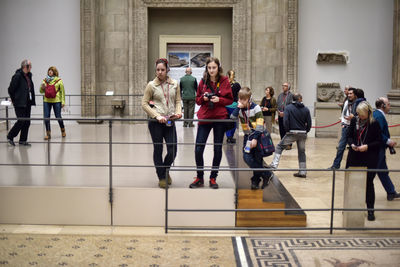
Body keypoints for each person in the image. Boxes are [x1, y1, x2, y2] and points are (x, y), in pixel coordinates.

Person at [189, 57, 233, 189]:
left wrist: (219, 99)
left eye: (214, 67)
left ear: (218, 68)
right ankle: (199, 177)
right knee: (198, 148)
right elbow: (197, 100)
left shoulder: (224, 80)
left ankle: (213, 178)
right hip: (205, 117)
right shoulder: (203, 81)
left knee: (218, 148)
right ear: (206, 68)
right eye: (209, 68)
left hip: (219, 118)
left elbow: (230, 100)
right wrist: (203, 98)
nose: (211, 70)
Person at [142, 58, 182, 188]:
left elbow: (177, 101)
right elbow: (144, 103)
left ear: (167, 70)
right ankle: (161, 177)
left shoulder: (175, 83)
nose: (160, 72)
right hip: (156, 123)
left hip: (170, 121)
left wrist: (178, 112)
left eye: (162, 70)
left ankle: (165, 170)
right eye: (158, 70)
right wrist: (157, 116)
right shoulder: (151, 85)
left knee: (173, 149)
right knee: (158, 149)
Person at [230, 87, 273, 190]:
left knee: (258, 159)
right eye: (239, 99)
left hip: (258, 136)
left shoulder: (256, 108)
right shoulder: (240, 109)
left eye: (243, 99)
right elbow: (232, 117)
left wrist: (255, 138)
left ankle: (255, 180)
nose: (241, 101)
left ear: (249, 99)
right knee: (247, 157)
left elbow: (260, 125)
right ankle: (266, 173)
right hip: (247, 137)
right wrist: (238, 107)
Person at [345, 101, 382, 221]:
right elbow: (349, 136)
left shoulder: (374, 123)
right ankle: (350, 208)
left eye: (361, 114)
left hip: (368, 157)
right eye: (358, 114)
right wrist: (351, 144)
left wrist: (367, 146)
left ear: (368, 112)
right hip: (354, 156)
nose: (359, 117)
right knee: (352, 182)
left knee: (368, 184)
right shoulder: (355, 121)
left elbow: (379, 141)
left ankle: (370, 210)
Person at [270, 93, 312, 178]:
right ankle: (303, 171)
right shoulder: (306, 109)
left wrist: (287, 130)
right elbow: (309, 123)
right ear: (300, 99)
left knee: (279, 147)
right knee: (301, 152)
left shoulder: (288, 108)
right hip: (303, 133)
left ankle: (274, 165)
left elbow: (285, 121)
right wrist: (306, 131)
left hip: (292, 132)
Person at [373, 97, 400, 201]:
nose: (389, 106)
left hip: (380, 147)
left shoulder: (378, 114)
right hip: (378, 148)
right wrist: (388, 141)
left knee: (383, 171)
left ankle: (391, 192)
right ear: (382, 106)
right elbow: (378, 133)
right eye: (388, 104)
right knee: (375, 171)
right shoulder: (379, 116)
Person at [6, 59, 36, 146]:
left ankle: (23, 140)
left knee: (27, 122)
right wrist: (14, 99)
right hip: (19, 103)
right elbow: (10, 89)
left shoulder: (29, 76)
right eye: (30, 66)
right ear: (25, 67)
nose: (31, 67)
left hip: (27, 102)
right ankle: (10, 136)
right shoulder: (17, 76)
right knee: (21, 120)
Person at [329, 86, 355, 169]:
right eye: (348, 92)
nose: (348, 93)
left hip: (351, 127)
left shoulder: (355, 103)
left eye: (350, 93)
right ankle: (336, 165)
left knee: (352, 147)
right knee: (341, 147)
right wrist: (343, 122)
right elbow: (345, 111)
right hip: (345, 126)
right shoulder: (346, 100)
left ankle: (351, 166)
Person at [40, 66, 66, 140]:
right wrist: (42, 88)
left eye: (51, 71)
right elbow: (41, 91)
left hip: (56, 101)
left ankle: (62, 129)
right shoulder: (45, 80)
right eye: (49, 70)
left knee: (58, 116)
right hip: (46, 101)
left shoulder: (59, 80)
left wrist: (63, 102)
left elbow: (62, 92)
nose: (50, 72)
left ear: (54, 72)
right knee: (46, 117)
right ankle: (48, 133)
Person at [225, 70, 241, 144]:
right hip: (229, 105)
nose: (232, 76)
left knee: (231, 121)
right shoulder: (225, 84)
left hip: (232, 105)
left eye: (232, 74)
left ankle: (230, 136)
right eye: (231, 75)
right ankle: (229, 136)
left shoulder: (235, 84)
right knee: (230, 121)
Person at [276, 82, 293, 149]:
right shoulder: (280, 95)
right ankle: (283, 143)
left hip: (287, 116)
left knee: (287, 130)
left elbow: (291, 106)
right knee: (281, 130)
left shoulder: (291, 95)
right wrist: (279, 112)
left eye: (285, 86)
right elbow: (277, 105)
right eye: (283, 85)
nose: (283, 87)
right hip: (280, 115)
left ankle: (289, 144)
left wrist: (285, 113)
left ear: (288, 87)